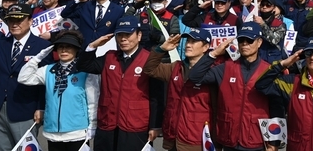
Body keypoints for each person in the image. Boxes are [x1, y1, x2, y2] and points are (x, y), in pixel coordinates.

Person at [190, 22, 279, 151]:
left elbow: (276, 108)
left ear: (259, 42)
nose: (244, 44)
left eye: (249, 40)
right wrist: (214, 53)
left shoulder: (269, 70)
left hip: (256, 140)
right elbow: (195, 77)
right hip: (229, 139)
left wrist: (274, 141)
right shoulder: (226, 68)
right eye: (241, 40)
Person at [77, 16, 161, 151]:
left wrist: (155, 126)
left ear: (139, 35)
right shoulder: (110, 56)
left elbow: (157, 96)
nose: (123, 39)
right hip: (107, 122)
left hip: (135, 123)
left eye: (128, 34)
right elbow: (84, 65)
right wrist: (93, 45)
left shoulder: (149, 59)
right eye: (120, 35)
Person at [17, 30, 98, 151]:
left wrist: (93, 125)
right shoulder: (48, 70)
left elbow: (93, 101)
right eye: (61, 47)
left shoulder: (84, 71)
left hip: (77, 131)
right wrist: (38, 57)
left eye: (69, 47)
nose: (64, 50)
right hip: (53, 132)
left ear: (76, 49)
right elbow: (23, 78)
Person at [143, 29, 214, 151]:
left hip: (196, 141)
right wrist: (162, 49)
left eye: (194, 42)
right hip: (173, 137)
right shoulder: (176, 67)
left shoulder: (213, 71)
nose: (188, 45)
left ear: (205, 47)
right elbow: (150, 69)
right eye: (188, 41)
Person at [0, 3, 52, 151]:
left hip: (25, 108)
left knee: (26, 148)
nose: (14, 24)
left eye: (19, 20)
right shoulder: (0, 43)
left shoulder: (43, 46)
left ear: (30, 20)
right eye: (10, 20)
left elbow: (46, 81)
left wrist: (41, 107)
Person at [60, 0, 125, 47]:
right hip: (84, 48)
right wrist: (78, 0)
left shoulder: (118, 10)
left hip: (104, 50)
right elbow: (64, 14)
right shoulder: (85, 6)